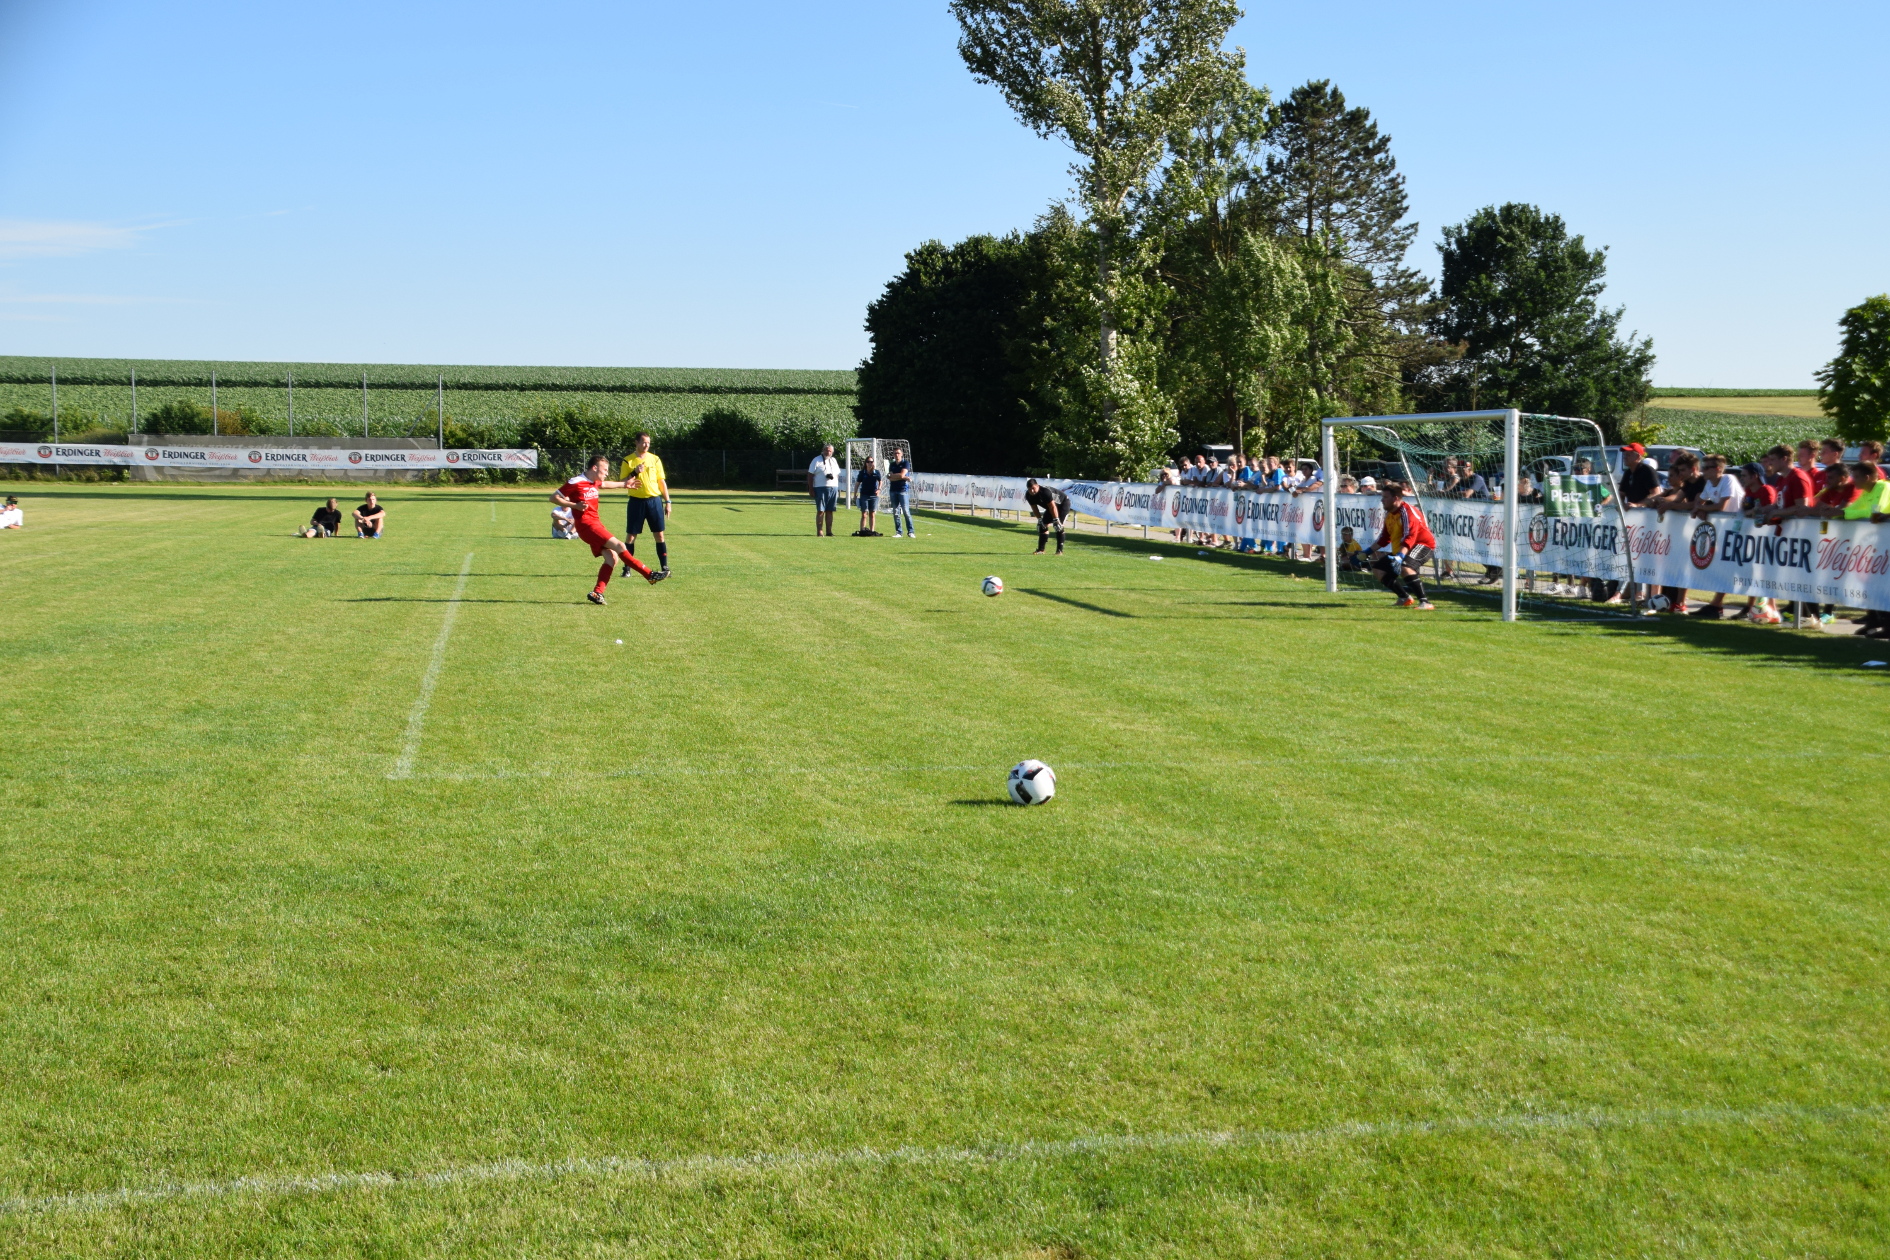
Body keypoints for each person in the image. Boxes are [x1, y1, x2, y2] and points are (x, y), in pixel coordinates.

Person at [551, 454, 667, 605]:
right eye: (604, 469)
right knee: (620, 546)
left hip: (595, 524)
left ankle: (597, 593)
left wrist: (625, 485)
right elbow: (553, 497)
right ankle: (649, 574)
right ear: (594, 468)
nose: (606, 473)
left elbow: (606, 484)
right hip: (587, 525)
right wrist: (575, 506)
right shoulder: (576, 482)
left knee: (612, 558)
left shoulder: (594, 481)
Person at [1363, 481, 1437, 610]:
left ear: (1395, 498)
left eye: (1385, 497)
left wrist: (1400, 556)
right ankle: (1404, 597)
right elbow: (1384, 538)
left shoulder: (1407, 513)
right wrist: (1367, 552)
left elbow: (1410, 537)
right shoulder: (1390, 514)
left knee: (1405, 567)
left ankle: (1425, 602)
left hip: (1422, 544)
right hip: (1404, 548)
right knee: (1378, 569)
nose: (1382, 500)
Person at [619, 432, 673, 575]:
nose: (646, 445)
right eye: (643, 442)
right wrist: (634, 472)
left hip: (654, 501)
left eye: (648, 443)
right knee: (631, 536)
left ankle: (665, 567)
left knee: (659, 535)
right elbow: (623, 482)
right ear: (636, 443)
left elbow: (661, 481)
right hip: (636, 502)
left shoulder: (655, 460)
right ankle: (627, 568)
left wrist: (668, 501)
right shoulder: (628, 461)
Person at [1024, 477, 1070, 554]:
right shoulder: (1028, 495)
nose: (1032, 491)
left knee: (1058, 526)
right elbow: (1034, 508)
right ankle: (1041, 550)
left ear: (1037, 486)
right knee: (1043, 526)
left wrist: (1056, 519)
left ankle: (1059, 551)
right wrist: (1039, 519)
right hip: (1051, 507)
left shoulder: (1045, 492)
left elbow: (1053, 506)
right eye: (1029, 489)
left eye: (1033, 488)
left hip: (1062, 504)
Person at [808, 444, 840, 537]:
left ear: (832, 452)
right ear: (823, 450)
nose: (828, 452)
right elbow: (810, 475)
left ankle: (829, 531)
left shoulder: (833, 460)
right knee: (821, 510)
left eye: (830, 451)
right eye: (826, 450)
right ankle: (820, 531)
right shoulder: (816, 460)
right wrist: (811, 489)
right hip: (820, 488)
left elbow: (837, 474)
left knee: (830, 510)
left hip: (833, 488)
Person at [886, 445, 914, 537]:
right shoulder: (892, 464)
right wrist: (903, 477)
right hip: (893, 490)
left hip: (903, 490)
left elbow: (901, 475)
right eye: (895, 453)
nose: (896, 455)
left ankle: (911, 531)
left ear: (901, 454)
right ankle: (899, 532)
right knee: (896, 512)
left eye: (898, 453)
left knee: (906, 511)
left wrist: (900, 476)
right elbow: (889, 477)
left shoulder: (905, 463)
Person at [853, 457, 883, 536]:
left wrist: (879, 489)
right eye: (868, 462)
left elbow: (880, 481)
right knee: (864, 513)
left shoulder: (876, 472)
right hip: (864, 495)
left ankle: (872, 530)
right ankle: (862, 530)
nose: (870, 463)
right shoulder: (862, 472)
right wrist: (855, 494)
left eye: (871, 462)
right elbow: (857, 484)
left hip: (874, 495)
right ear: (866, 463)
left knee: (872, 513)